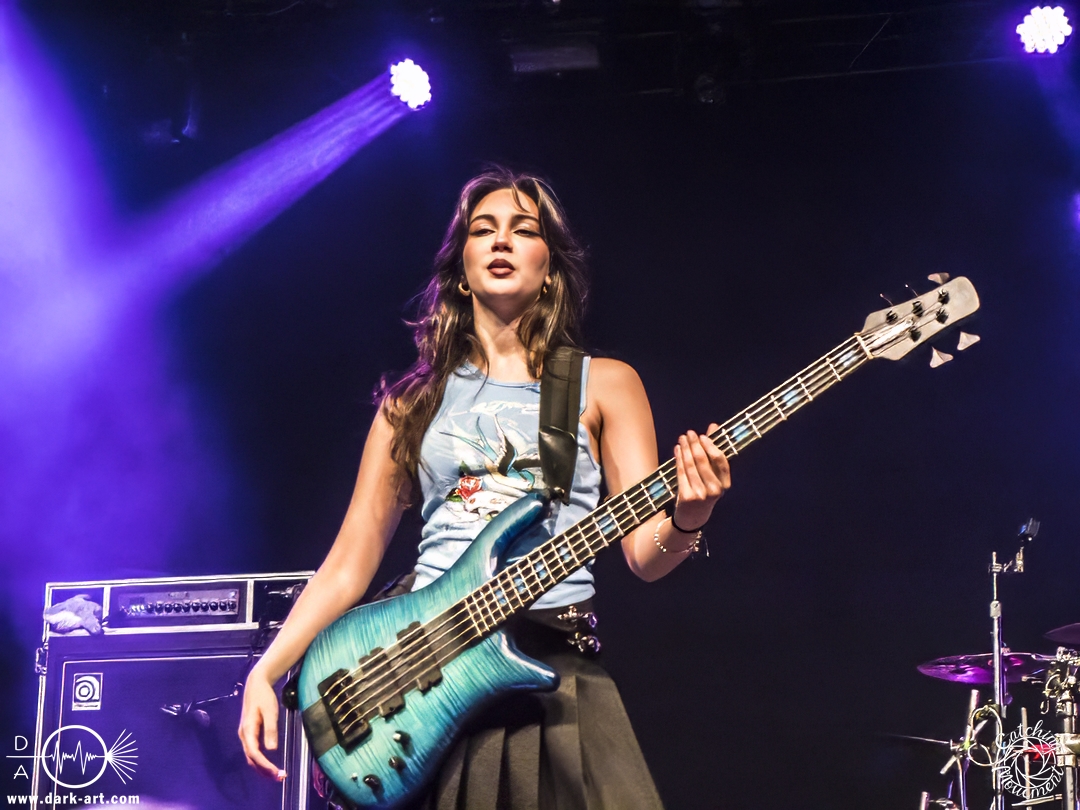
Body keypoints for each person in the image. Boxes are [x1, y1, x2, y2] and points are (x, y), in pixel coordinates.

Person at [239, 167, 731, 808]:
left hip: (551, 671)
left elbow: (644, 555)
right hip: (427, 676)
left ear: (549, 269)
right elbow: (349, 562)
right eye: (483, 230)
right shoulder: (410, 404)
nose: (501, 241)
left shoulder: (605, 383)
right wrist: (267, 670)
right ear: (461, 269)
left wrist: (690, 517)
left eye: (523, 230)